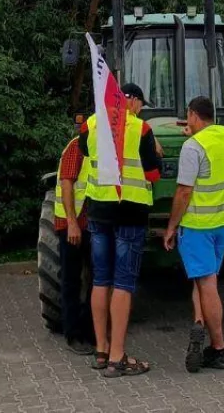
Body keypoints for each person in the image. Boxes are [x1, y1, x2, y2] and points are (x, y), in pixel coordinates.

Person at [76, 82, 160, 377]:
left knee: (101, 280)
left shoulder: (90, 124)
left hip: (99, 210)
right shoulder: (141, 130)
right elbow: (153, 173)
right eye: (140, 104)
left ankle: (101, 350)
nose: (140, 110)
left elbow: (86, 154)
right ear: (132, 101)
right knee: (123, 282)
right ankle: (117, 357)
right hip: (130, 213)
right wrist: (157, 154)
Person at [166, 96, 224, 373]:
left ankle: (219, 349)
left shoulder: (192, 147)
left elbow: (184, 191)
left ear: (193, 115)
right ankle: (198, 322)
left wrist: (172, 226)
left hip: (198, 225)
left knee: (207, 283)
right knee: (205, 278)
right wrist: (193, 131)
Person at [54, 120, 96, 354]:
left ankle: (90, 331)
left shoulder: (96, 149)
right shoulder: (76, 148)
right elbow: (67, 184)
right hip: (72, 224)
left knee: (96, 279)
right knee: (71, 280)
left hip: (91, 224)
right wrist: (72, 223)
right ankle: (73, 334)